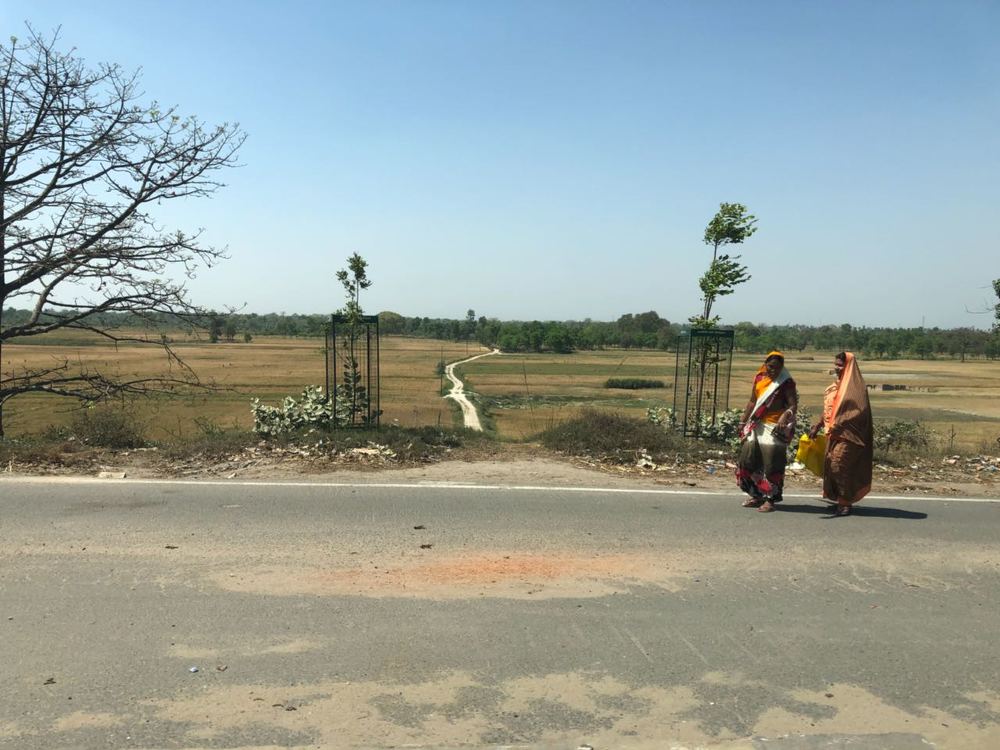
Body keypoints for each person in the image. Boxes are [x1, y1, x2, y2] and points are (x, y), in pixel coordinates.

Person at [809, 351, 873, 516]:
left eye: (840, 365)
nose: (837, 367)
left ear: (849, 366)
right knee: (831, 466)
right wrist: (817, 425)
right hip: (833, 434)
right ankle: (840, 498)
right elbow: (830, 409)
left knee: (838, 465)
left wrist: (841, 422)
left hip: (850, 435)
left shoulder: (856, 388)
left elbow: (860, 411)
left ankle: (845, 502)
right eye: (836, 364)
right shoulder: (834, 387)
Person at [736, 351, 798, 512]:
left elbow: (793, 405)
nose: (773, 371)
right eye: (770, 367)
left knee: (772, 464)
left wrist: (786, 415)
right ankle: (756, 495)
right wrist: (743, 421)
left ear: (782, 367)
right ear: (765, 364)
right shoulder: (759, 379)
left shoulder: (786, 383)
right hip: (756, 424)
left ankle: (770, 499)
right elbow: (752, 401)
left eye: (777, 368)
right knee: (748, 460)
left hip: (775, 427)